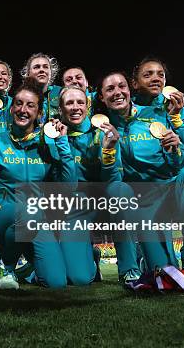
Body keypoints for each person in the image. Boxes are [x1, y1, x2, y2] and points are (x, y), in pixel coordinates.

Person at [96, 71, 184, 275]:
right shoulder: (102, 129)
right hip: (144, 204)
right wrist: (109, 151)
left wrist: (175, 150)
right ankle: (140, 262)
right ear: (101, 97)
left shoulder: (156, 113)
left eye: (121, 86)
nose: (117, 92)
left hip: (171, 189)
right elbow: (113, 180)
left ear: (130, 90)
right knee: (164, 271)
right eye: (110, 89)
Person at [0, 78, 76, 290]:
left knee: (56, 281)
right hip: (3, 217)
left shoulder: (46, 144)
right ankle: (7, 266)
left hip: (35, 221)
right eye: (18, 103)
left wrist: (62, 143)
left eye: (30, 105)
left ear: (39, 114)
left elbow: (69, 185)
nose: (23, 109)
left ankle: (27, 270)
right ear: (11, 109)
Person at [58, 87, 140, 283]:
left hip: (104, 202)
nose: (75, 107)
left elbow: (113, 180)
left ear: (87, 105)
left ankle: (129, 268)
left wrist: (108, 151)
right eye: (69, 103)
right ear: (60, 109)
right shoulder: (55, 136)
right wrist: (61, 144)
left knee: (121, 190)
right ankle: (91, 257)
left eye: (80, 102)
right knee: (79, 278)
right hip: (74, 209)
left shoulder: (103, 132)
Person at [20, 53, 62, 121]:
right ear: (28, 73)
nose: (42, 70)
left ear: (51, 72)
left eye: (45, 67)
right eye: (37, 67)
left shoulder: (60, 92)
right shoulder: (21, 97)